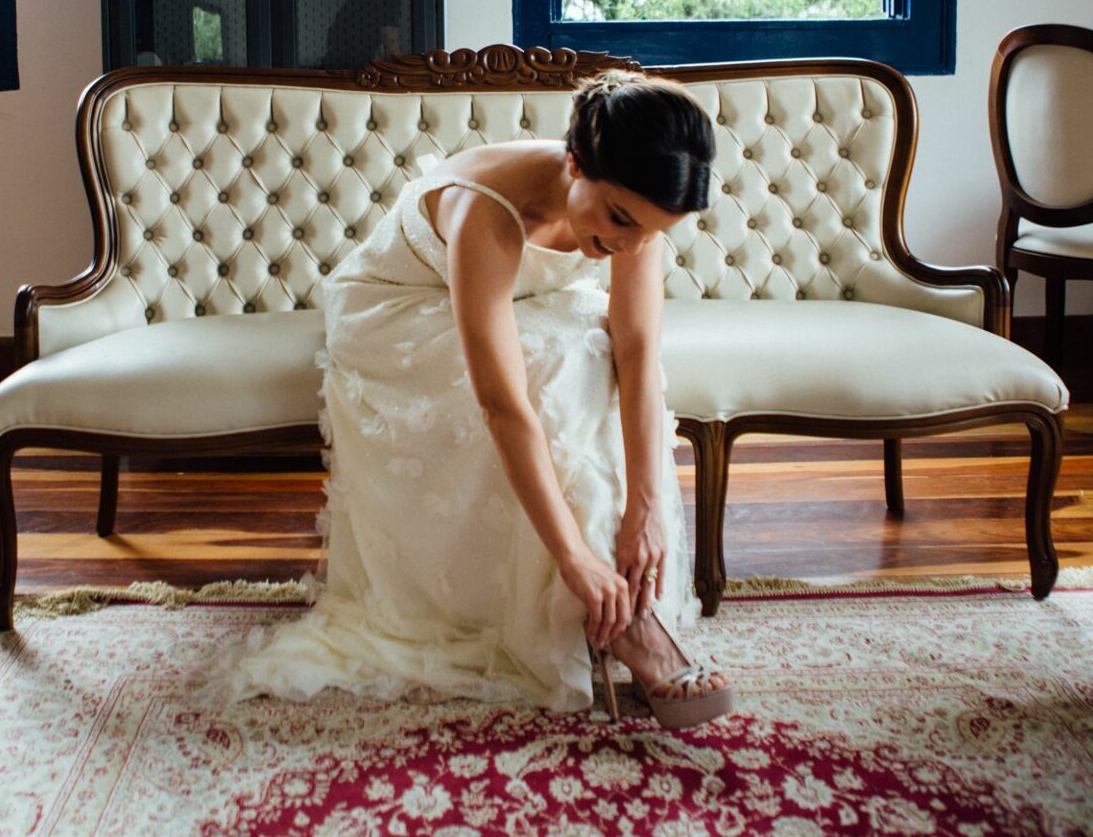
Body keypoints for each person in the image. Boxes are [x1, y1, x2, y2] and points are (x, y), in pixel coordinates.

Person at [200, 70, 731, 724]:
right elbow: (503, 405)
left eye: (652, 234)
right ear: (574, 164)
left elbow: (637, 351)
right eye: (620, 221)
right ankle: (613, 613)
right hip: (397, 314)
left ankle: (622, 604)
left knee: (592, 358)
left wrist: (644, 510)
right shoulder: (487, 207)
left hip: (527, 304)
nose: (629, 245)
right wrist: (570, 557)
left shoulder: (634, 211)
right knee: (550, 368)